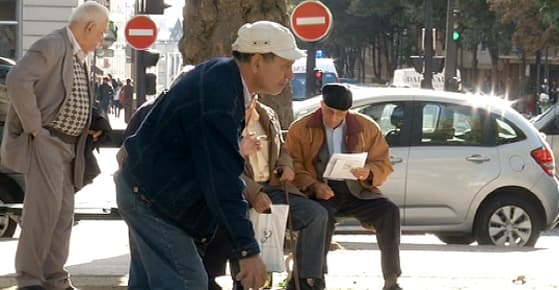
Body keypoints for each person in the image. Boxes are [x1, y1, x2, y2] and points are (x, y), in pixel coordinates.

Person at [114, 20, 305, 290]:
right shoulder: (218, 94)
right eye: (286, 66)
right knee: (189, 282)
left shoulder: (223, 79)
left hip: (146, 191)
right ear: (258, 61)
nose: (290, 76)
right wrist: (248, 251)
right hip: (152, 200)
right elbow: (221, 179)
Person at [0, 2, 110, 289]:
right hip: (48, 140)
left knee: (62, 215)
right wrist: (35, 128)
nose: (102, 40)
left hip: (69, 146)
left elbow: (73, 95)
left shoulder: (78, 54)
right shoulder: (52, 45)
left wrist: (94, 121)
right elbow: (17, 79)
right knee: (42, 213)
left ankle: (53, 278)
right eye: (101, 33)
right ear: (88, 27)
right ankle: (30, 280)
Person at [202, 96, 328, 290]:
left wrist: (285, 166)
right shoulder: (224, 118)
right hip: (239, 189)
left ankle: (304, 280)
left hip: (274, 187)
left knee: (316, 214)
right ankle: (243, 281)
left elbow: (283, 149)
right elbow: (222, 165)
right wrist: (255, 192)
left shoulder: (267, 114)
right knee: (240, 215)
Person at [286, 84, 403, 290]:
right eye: (329, 112)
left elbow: (383, 162)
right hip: (320, 191)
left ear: (348, 111)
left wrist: (369, 172)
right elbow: (293, 164)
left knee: (389, 212)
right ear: (321, 105)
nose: (334, 118)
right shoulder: (300, 128)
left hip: (357, 191)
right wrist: (313, 185)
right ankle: (315, 278)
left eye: (340, 114)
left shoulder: (366, 127)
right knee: (320, 217)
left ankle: (391, 279)